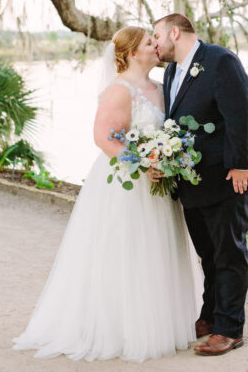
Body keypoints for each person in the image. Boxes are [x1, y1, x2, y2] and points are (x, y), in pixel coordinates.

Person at [12, 26, 198, 363]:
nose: (156, 46)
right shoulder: (119, 90)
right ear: (130, 53)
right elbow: (105, 139)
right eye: (148, 42)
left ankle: (157, 323)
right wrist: (144, 164)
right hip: (125, 184)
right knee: (123, 251)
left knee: (155, 250)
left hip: (158, 185)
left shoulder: (160, 87)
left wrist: (166, 160)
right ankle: (117, 328)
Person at [153, 13, 248, 356]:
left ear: (175, 31)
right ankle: (209, 316)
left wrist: (240, 164)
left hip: (229, 177)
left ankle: (230, 329)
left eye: (157, 35)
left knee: (229, 253)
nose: (155, 43)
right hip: (194, 180)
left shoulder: (220, 60)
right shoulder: (171, 71)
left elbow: (241, 114)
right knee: (208, 254)